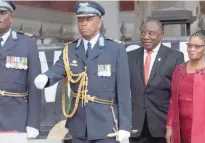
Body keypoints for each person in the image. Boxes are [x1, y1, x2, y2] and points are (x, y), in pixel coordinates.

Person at [34, 1, 131, 143]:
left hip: (106, 124)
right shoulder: (71, 49)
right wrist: (46, 78)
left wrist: (125, 127)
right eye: (80, 20)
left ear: (99, 23)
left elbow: (123, 91)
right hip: (79, 124)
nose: (84, 24)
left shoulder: (115, 49)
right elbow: (58, 69)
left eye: (88, 19)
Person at [166, 30, 205, 143]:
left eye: (197, 46)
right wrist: (170, 126)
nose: (192, 49)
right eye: (189, 45)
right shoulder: (179, 70)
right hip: (180, 128)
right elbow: (173, 101)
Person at [128, 19, 184, 143]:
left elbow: (178, 94)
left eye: (151, 33)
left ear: (161, 35)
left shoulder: (175, 57)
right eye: (143, 33)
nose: (146, 37)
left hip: (162, 125)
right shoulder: (129, 57)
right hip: (136, 126)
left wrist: (172, 125)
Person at [0, 0, 41, 139]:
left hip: (15, 117)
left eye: (2, 13)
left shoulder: (27, 43)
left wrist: (33, 122)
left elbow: (34, 86)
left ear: (11, 17)